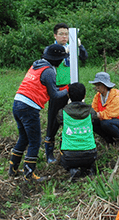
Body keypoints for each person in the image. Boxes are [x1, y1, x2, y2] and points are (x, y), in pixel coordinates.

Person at [8, 44, 69, 181]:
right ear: (57, 60)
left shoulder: (37, 66)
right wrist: (68, 90)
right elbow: (54, 95)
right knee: (35, 141)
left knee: (23, 138)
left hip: (17, 103)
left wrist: (62, 88)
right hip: (29, 108)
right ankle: (29, 175)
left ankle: (13, 169)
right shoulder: (49, 71)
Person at [44, 23, 89, 164]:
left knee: (72, 118)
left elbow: (84, 57)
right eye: (61, 34)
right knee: (53, 120)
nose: (64, 37)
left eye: (67, 34)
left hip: (72, 88)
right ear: (55, 35)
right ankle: (49, 152)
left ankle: (69, 148)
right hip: (57, 89)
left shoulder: (73, 46)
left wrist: (79, 46)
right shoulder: (51, 50)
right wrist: (65, 51)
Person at [56, 82, 98, 181]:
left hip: (69, 157)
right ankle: (89, 168)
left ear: (68, 95)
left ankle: (73, 169)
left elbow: (59, 121)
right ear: (84, 96)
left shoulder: (62, 112)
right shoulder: (90, 111)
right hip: (90, 155)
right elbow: (96, 119)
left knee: (62, 140)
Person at [89, 72, 119, 144]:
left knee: (105, 123)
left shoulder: (116, 97)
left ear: (105, 85)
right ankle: (110, 141)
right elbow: (94, 109)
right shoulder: (97, 96)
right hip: (109, 122)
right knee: (93, 122)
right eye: (96, 85)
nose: (96, 87)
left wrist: (95, 114)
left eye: (99, 85)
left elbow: (111, 114)